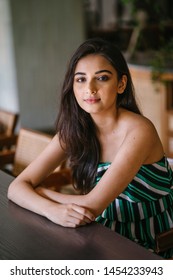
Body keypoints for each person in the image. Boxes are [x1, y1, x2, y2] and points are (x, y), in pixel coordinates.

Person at [8, 38, 173, 258]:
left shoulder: (139, 130)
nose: (90, 89)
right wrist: (50, 209)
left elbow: (91, 205)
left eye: (102, 78)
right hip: (104, 229)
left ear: (121, 84)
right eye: (81, 80)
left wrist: (41, 192)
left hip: (153, 237)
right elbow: (15, 188)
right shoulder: (73, 131)